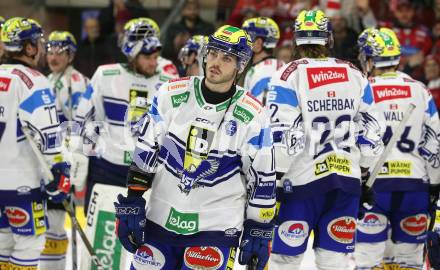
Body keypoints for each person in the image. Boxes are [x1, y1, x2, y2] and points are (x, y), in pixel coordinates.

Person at [114, 25, 276, 270]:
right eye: (212, 53)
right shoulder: (171, 94)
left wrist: (259, 228)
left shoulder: (253, 114)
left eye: (226, 58)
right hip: (160, 221)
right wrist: (134, 199)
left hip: (216, 229)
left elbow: (261, 176)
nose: (215, 62)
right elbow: (147, 151)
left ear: (240, 65)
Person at [266, 9, 384, 269]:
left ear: (296, 40)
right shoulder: (354, 73)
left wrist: (273, 180)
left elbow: (287, 137)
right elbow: (372, 132)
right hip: (346, 182)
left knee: (285, 260)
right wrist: (364, 173)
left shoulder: (287, 76)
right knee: (334, 261)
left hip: (300, 185)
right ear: (328, 39)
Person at [354, 27, 440, 270]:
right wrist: (434, 186)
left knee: (367, 261)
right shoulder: (420, 90)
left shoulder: (363, 87)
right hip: (414, 185)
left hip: (373, 187)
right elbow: (434, 142)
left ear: (369, 58)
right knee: (409, 262)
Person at [74, 17, 178, 214]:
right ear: (132, 54)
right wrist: (79, 155)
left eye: (155, 56)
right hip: (106, 168)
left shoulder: (169, 83)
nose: (153, 62)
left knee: (138, 237)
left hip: (146, 171)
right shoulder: (105, 75)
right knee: (99, 232)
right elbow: (86, 120)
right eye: (147, 57)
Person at [0, 17, 70, 269]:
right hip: (22, 183)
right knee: (29, 243)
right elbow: (48, 135)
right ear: (28, 47)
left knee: (2, 243)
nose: (40, 47)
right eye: (38, 42)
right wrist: (60, 170)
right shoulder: (32, 79)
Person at [40, 30, 89, 269]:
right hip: (49, 161)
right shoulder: (48, 79)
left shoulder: (76, 82)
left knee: (56, 217)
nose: (54, 56)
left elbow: (80, 125)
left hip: (64, 160)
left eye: (60, 51)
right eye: (50, 50)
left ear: (71, 56)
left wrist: (71, 159)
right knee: (50, 217)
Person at [242, 17, 284, 104]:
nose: (243, 43)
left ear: (258, 43)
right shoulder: (283, 65)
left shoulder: (259, 71)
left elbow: (258, 109)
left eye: (248, 38)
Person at [162, 0, 215, 65]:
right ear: (183, 11)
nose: (192, 12)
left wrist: (195, 43)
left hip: (199, 66)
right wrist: (175, 46)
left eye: (195, 9)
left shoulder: (208, 28)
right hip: (176, 65)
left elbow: (211, 52)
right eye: (189, 9)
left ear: (199, 10)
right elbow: (165, 54)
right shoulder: (173, 29)